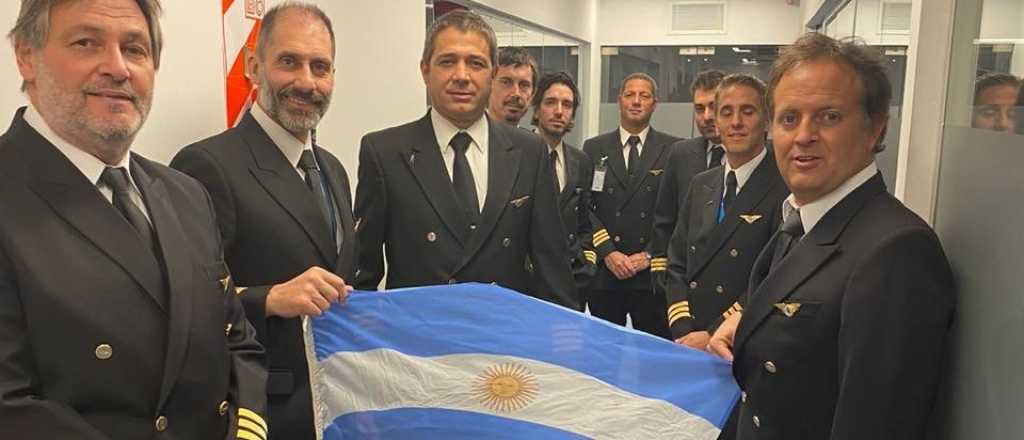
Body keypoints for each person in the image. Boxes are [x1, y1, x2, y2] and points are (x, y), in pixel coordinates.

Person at [0, 1, 266, 439]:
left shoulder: (186, 196)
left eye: (136, 49)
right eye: (87, 43)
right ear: (26, 56)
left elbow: (237, 341)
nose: (117, 68)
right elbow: (10, 408)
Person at [708, 33, 955, 439]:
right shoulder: (802, 221)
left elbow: (874, 426)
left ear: (875, 129)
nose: (804, 135)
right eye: (789, 119)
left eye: (828, 117)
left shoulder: (895, 252)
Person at [171, 3, 352, 439]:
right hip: (261, 410)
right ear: (254, 66)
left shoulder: (333, 168)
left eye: (320, 67)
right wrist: (267, 298)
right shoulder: (206, 165)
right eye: (289, 62)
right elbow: (181, 308)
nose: (306, 82)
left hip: (335, 404)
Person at [353, 10, 577, 310]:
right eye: (447, 61)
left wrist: (562, 344)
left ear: (492, 73)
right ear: (424, 70)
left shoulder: (530, 151)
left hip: (503, 344)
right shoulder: (384, 152)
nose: (462, 76)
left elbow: (553, 266)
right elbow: (363, 275)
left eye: (476, 63)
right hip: (419, 343)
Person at [660, 73, 787, 351]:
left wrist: (714, 332)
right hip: (688, 338)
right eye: (726, 112)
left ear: (767, 119)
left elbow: (773, 277)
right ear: (716, 122)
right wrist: (682, 327)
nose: (736, 122)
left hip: (739, 341)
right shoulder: (702, 183)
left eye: (748, 111)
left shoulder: (784, 188)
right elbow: (677, 261)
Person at [583, 73, 680, 338]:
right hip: (606, 273)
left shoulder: (674, 149)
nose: (636, 101)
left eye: (644, 95)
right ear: (619, 101)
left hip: (649, 276)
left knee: (654, 357)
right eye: (630, 95)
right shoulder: (594, 148)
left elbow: (677, 211)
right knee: (603, 352)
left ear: (654, 103)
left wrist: (648, 255)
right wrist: (607, 252)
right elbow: (585, 207)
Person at [649, 70, 726, 287]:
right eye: (699, 108)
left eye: (714, 106)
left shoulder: (752, 157)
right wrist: (661, 273)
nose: (707, 116)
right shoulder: (681, 153)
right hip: (684, 277)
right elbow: (664, 219)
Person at [530, 71, 595, 297]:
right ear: (536, 109)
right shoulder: (516, 155)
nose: (559, 111)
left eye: (567, 105)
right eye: (550, 102)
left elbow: (585, 224)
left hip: (571, 281)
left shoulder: (581, 161)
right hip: (529, 283)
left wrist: (587, 263)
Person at [487, 46, 537, 127]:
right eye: (506, 82)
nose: (516, 93)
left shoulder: (532, 139)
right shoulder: (465, 137)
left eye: (524, 85)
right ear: (488, 86)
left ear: (532, 94)